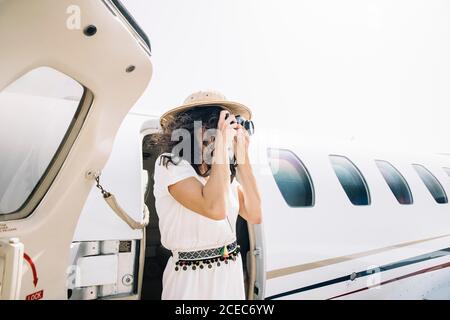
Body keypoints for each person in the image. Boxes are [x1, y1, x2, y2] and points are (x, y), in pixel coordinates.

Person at [151, 91, 262, 300]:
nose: (221, 131)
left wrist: (243, 158)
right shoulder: (170, 164)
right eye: (215, 122)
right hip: (191, 280)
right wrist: (220, 145)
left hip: (229, 274)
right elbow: (215, 208)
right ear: (192, 127)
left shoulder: (222, 173)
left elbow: (255, 214)